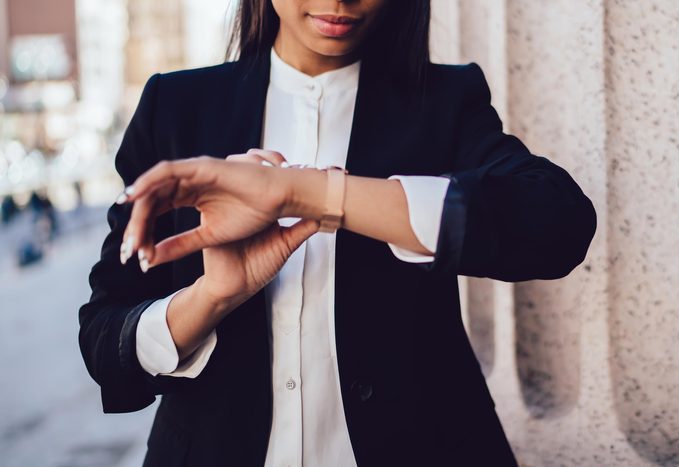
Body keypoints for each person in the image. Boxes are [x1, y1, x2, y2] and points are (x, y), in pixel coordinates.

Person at [78, 1, 597, 466]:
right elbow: (105, 340)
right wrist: (212, 297)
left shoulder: (444, 99)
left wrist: (309, 195)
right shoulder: (177, 105)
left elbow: (557, 223)